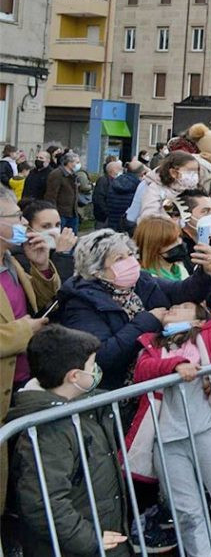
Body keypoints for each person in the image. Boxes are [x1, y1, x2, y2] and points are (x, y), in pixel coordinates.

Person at [125, 303, 211, 557]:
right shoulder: (151, 345)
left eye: (185, 307)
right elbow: (142, 372)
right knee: (187, 512)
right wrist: (175, 364)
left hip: (207, 431)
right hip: (166, 441)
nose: (175, 307)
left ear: (199, 322)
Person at [8, 325, 129, 556]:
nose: (96, 371)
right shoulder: (49, 430)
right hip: (78, 545)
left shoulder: (84, 407)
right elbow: (43, 502)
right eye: (92, 365)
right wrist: (89, 539)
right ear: (74, 376)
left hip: (100, 534)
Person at [57, 229, 211, 388]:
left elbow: (182, 292)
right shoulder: (80, 303)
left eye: (129, 254)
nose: (129, 261)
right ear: (97, 271)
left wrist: (208, 271)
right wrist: (146, 321)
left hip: (158, 373)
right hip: (122, 390)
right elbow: (102, 356)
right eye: (119, 259)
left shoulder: (141, 281)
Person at [0, 185, 59, 507]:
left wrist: (42, 267)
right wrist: (25, 330)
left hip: (20, 379)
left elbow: (40, 302)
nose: (23, 223)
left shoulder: (10, 258)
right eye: (15, 217)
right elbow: (24, 321)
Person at [16, 199, 78, 281]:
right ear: (28, 229)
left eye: (57, 225)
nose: (54, 231)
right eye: (46, 226)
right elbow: (58, 289)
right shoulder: (19, 257)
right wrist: (62, 255)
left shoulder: (58, 250)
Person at [137, 151, 200, 221]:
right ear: (173, 172)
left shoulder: (193, 190)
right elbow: (148, 218)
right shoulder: (155, 189)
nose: (194, 175)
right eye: (190, 171)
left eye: (196, 171)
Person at [134, 216, 190, 280]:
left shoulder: (179, 269)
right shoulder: (149, 280)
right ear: (154, 249)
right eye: (171, 242)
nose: (179, 242)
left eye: (179, 237)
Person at [44, 152, 82, 233]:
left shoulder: (74, 175)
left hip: (72, 213)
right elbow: (51, 196)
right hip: (61, 213)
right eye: (77, 162)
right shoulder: (57, 174)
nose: (79, 165)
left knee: (71, 238)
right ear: (69, 163)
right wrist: (54, 213)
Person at [105, 160, 143, 232]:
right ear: (141, 173)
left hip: (112, 223)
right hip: (129, 227)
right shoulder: (139, 187)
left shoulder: (114, 182)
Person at [92, 160, 122, 229]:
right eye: (119, 169)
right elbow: (99, 198)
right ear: (113, 170)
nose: (121, 170)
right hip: (103, 217)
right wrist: (107, 212)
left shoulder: (116, 181)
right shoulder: (103, 180)